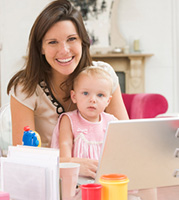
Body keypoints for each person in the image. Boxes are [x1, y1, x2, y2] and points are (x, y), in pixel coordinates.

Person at [7, 0, 129, 178]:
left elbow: (125, 138)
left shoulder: (104, 75)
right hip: (49, 179)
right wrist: (68, 163)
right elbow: (23, 156)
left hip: (101, 177)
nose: (64, 50)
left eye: (71, 39)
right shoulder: (25, 87)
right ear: (40, 47)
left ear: (83, 42)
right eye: (53, 42)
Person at [51, 66, 118, 165]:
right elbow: (65, 145)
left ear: (108, 101)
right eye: (85, 93)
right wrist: (67, 168)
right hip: (77, 173)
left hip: (104, 174)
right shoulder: (69, 120)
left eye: (100, 95)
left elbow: (119, 146)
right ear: (74, 96)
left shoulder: (111, 121)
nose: (93, 100)